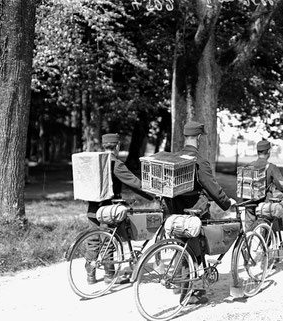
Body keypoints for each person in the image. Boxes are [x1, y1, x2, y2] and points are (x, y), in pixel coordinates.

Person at [164, 121, 236, 304]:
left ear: (185, 137)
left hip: (175, 210)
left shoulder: (174, 158)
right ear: (198, 138)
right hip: (195, 211)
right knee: (198, 248)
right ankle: (193, 291)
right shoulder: (199, 161)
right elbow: (212, 187)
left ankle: (180, 283)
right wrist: (227, 204)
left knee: (182, 243)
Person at [86, 133, 154, 285]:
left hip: (92, 206)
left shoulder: (95, 162)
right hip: (108, 208)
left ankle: (90, 274)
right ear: (117, 147)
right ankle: (110, 275)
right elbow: (134, 183)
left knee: (93, 239)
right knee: (108, 240)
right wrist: (153, 195)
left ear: (104, 146)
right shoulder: (115, 163)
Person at [243, 140, 283, 232]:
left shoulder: (248, 166)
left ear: (258, 152)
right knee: (266, 228)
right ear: (268, 152)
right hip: (264, 204)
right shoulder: (271, 167)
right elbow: (282, 184)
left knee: (248, 231)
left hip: (249, 202)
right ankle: (264, 244)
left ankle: (245, 244)